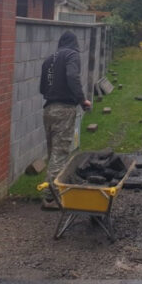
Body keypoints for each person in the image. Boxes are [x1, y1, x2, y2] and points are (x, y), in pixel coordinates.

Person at [39, 31, 91, 210]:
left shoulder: (49, 59)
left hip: (48, 109)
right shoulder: (72, 55)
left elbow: (42, 88)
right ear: (74, 43)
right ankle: (51, 197)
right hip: (64, 109)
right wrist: (82, 100)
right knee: (60, 153)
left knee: (53, 151)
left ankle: (55, 189)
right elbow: (72, 76)